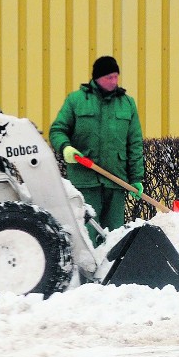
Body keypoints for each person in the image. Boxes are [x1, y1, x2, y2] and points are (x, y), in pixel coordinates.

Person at [49, 56, 144, 245]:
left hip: (115, 181)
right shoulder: (76, 101)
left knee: (115, 237)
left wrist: (136, 179)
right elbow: (57, 130)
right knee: (88, 237)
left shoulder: (127, 103)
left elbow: (134, 143)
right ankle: (88, 274)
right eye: (109, 77)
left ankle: (111, 273)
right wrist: (65, 148)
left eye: (116, 77)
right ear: (98, 78)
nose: (114, 81)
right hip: (85, 182)